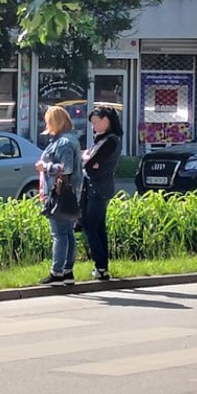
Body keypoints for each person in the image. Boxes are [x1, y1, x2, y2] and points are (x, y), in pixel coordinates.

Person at [36, 105, 83, 286]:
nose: (47, 125)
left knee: (59, 233)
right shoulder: (69, 139)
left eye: (48, 121)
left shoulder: (63, 143)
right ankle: (67, 271)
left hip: (60, 193)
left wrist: (45, 167)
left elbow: (66, 168)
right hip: (69, 193)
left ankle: (56, 273)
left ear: (55, 122)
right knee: (67, 232)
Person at [81, 106, 123, 281]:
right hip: (96, 187)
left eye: (96, 122)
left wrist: (88, 159)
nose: (93, 126)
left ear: (106, 121)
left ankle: (100, 266)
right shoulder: (101, 139)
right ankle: (102, 267)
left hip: (100, 189)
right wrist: (89, 159)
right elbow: (91, 161)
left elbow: (90, 163)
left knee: (90, 226)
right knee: (98, 227)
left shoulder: (110, 140)